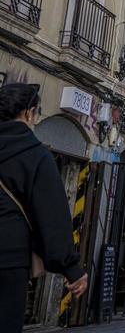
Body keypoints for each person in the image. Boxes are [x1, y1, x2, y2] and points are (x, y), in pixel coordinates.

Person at [0, 83, 87, 331]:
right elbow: (51, 217)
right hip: (8, 262)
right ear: (29, 113)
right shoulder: (35, 154)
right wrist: (72, 269)